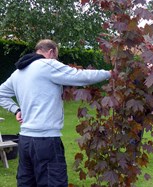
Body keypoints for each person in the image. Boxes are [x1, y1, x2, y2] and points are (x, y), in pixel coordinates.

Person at [0, 39, 112, 187]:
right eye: (56, 56)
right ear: (51, 52)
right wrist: (109, 73)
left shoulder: (18, 72)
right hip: (46, 141)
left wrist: (16, 109)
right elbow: (80, 76)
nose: (57, 61)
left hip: (25, 141)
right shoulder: (48, 65)